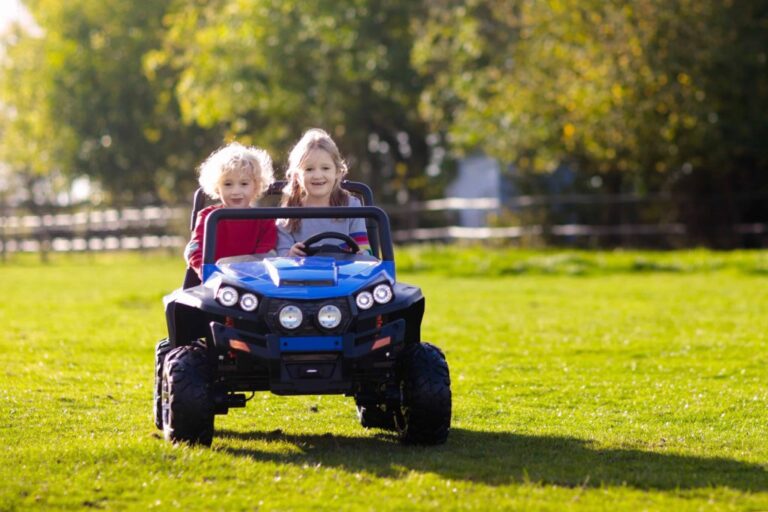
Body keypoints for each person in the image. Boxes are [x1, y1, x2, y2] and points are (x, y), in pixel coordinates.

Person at [184, 142, 277, 278]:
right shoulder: (207, 217)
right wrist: (206, 272)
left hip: (254, 281)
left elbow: (265, 255)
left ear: (256, 186)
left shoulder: (265, 220)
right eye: (228, 184)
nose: (236, 191)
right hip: (212, 280)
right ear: (217, 187)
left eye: (244, 184)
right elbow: (195, 250)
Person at [276, 128, 371, 256]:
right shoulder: (288, 214)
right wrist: (290, 255)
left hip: (345, 274)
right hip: (302, 275)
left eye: (325, 168)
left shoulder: (352, 207)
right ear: (297, 175)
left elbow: (364, 252)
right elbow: (281, 257)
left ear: (337, 172)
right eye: (309, 169)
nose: (317, 175)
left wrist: (361, 254)